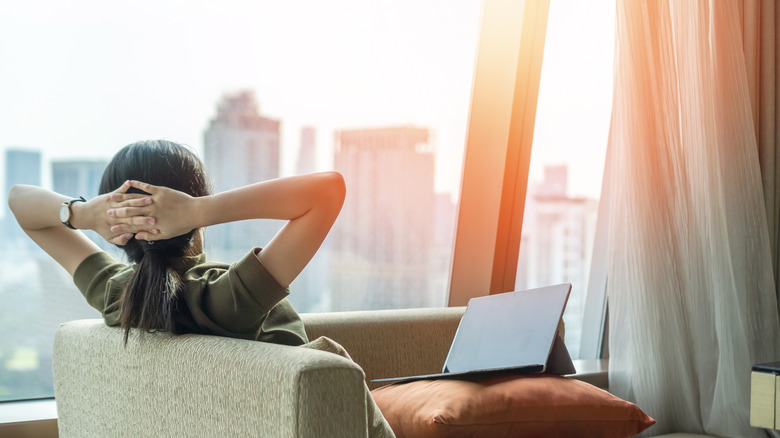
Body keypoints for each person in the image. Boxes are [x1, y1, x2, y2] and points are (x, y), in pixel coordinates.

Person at [7, 139, 394, 438]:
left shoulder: (116, 293)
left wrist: (82, 213)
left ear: (118, 232)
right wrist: (198, 210)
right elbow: (328, 190)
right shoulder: (227, 299)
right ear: (192, 203)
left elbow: (19, 202)